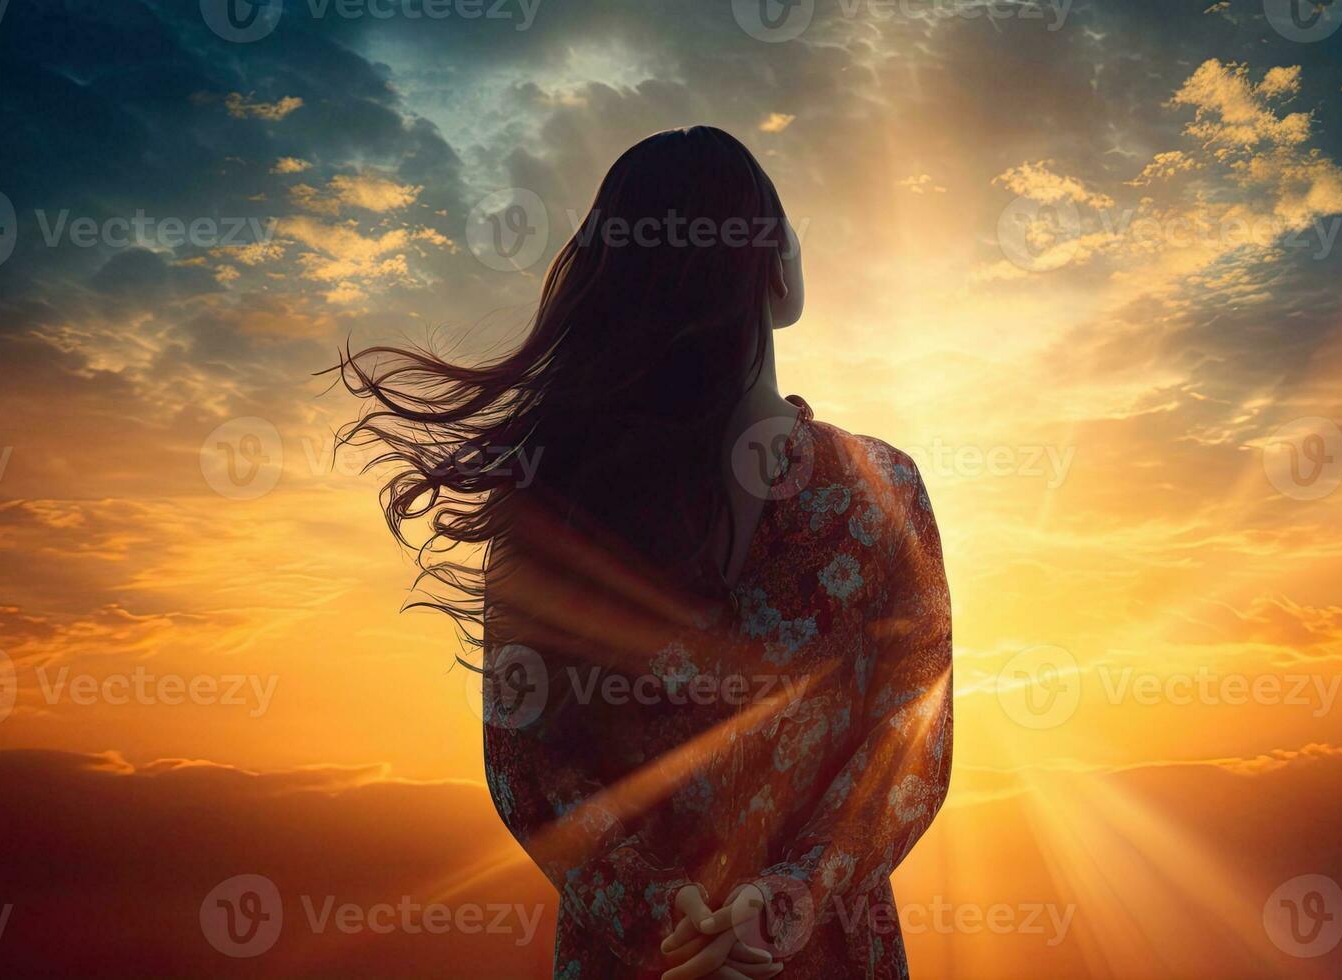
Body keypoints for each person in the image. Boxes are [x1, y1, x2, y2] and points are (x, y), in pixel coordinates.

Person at [339, 125, 952, 978]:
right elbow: (910, 749)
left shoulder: (552, 501)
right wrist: (782, 905)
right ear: (773, 267)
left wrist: (669, 918)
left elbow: (529, 767)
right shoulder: (884, 490)